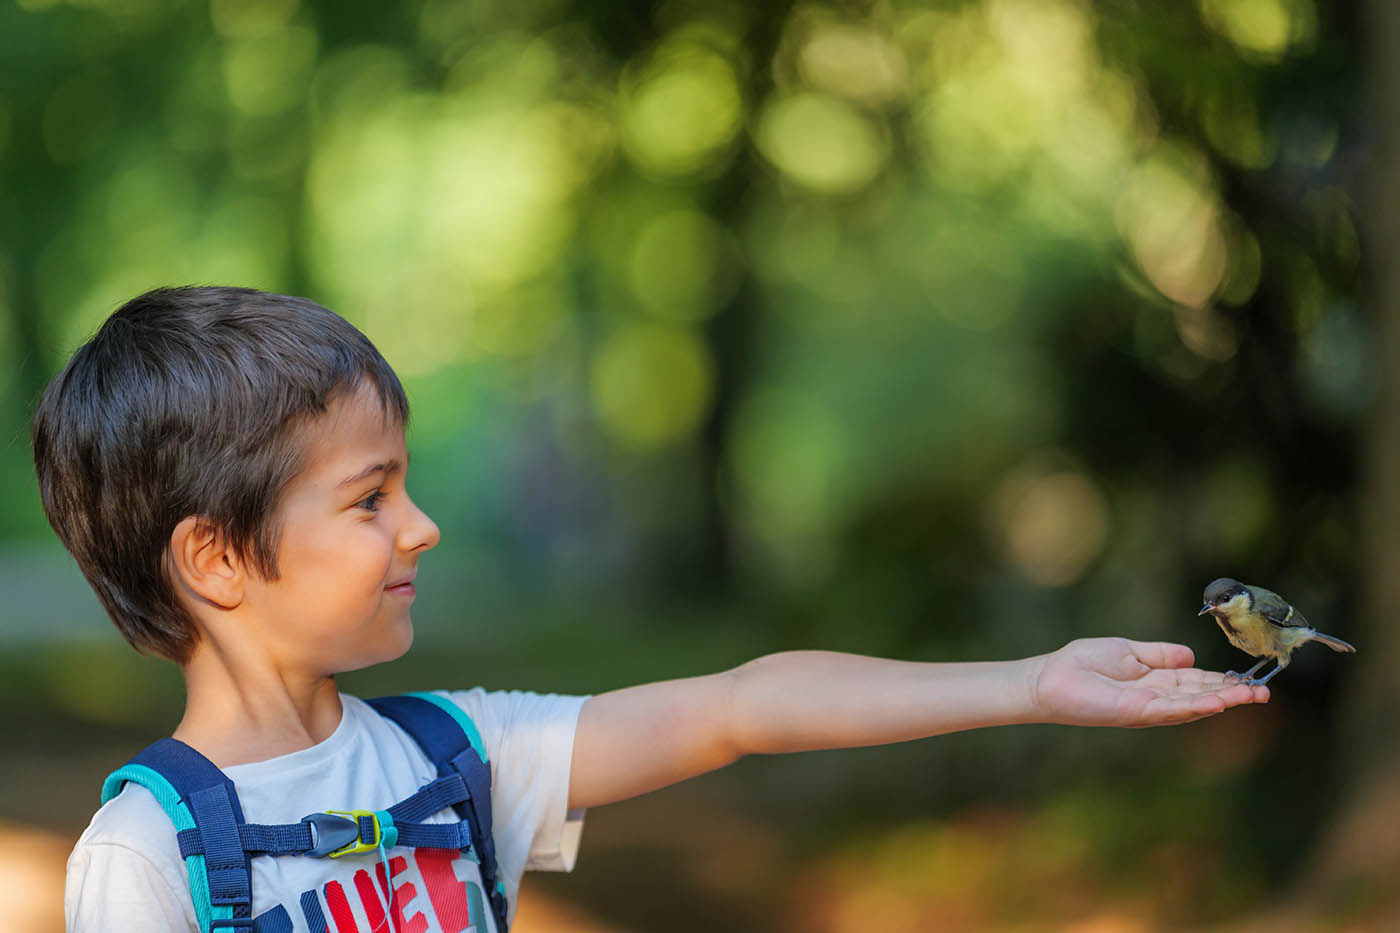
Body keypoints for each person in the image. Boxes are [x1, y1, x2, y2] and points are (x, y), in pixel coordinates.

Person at [37, 286, 1268, 932]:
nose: (422, 527)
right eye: (369, 499)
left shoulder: (453, 761)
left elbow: (742, 708)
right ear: (216, 559)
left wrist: (1028, 681)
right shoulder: (148, 864)